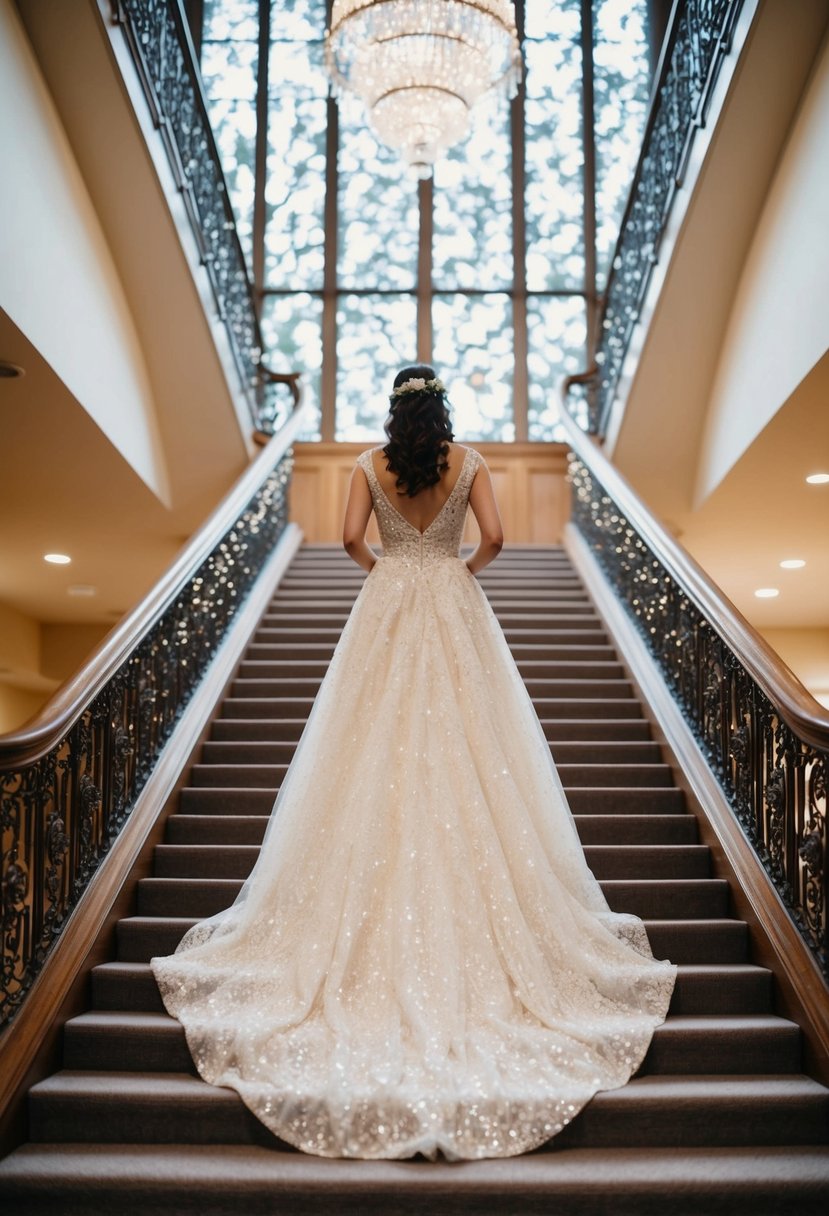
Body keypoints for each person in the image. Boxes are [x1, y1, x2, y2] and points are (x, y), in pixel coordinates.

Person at [152, 365, 675, 1161]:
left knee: (369, 736)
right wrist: (452, 572)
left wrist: (391, 572)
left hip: (389, 597)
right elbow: (496, 538)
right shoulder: (469, 463)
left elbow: (344, 541)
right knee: (472, 739)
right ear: (441, 408)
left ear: (393, 411)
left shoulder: (367, 464)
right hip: (451, 598)